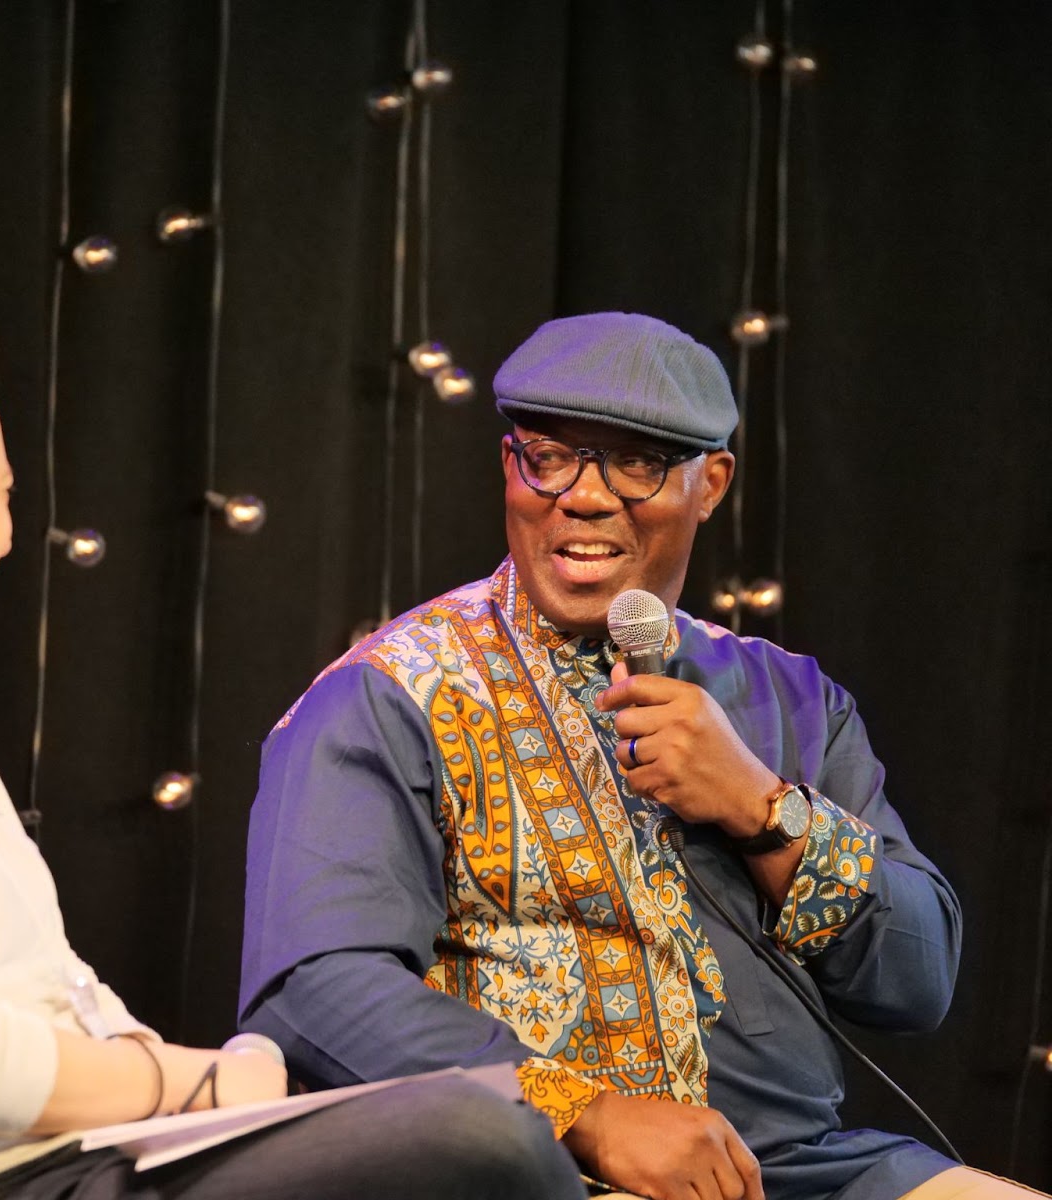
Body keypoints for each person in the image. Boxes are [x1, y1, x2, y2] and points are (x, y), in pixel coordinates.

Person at [0, 313, 582, 1200]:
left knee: (483, 1119)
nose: (9, 537)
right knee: (483, 1136)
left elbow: (61, 988)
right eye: (1, 495)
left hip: (79, 1163)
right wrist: (203, 1084)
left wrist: (210, 1081)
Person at [240, 312, 1036, 1200]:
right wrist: (588, 1115)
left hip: (806, 1171)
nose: (584, 496)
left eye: (637, 463)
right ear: (509, 466)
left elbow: (916, 983)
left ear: (711, 483)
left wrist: (765, 809)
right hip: (545, 1170)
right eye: (549, 456)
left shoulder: (791, 700)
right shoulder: (389, 693)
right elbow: (316, 990)